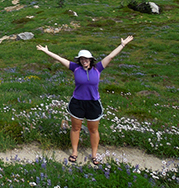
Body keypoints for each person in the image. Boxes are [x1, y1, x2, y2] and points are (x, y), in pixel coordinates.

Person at [36, 35, 134, 165]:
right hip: (77, 102)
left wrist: (122, 45)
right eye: (81, 59)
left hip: (93, 103)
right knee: (75, 128)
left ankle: (94, 155)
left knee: (93, 130)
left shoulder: (97, 68)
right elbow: (60, 59)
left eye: (86, 59)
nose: (84, 61)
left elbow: (110, 56)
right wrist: (46, 51)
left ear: (90, 59)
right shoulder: (75, 68)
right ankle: (74, 152)